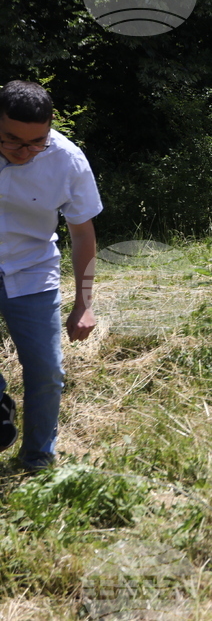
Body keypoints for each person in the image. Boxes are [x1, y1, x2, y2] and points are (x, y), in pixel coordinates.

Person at [0, 80, 103, 471]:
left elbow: (83, 235)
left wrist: (84, 304)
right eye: (12, 140)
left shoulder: (67, 160)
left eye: (36, 142)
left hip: (32, 270)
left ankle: (37, 458)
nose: (24, 152)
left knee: (47, 370)